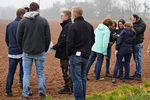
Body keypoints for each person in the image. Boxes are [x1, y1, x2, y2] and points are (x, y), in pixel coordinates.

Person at [17, 2, 51, 100]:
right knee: (40, 73)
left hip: (27, 52)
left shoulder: (23, 22)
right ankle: (42, 94)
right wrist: (44, 49)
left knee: (26, 74)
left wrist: (23, 48)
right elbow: (47, 38)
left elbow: (18, 38)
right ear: (37, 10)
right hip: (40, 52)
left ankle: (25, 95)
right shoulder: (44, 21)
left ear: (29, 9)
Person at [66, 6, 94, 100]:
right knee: (83, 78)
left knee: (77, 80)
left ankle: (79, 98)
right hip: (86, 56)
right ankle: (82, 97)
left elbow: (69, 43)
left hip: (75, 56)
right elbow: (92, 41)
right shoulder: (89, 26)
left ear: (74, 15)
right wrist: (87, 50)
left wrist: (69, 54)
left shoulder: (72, 26)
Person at [50, 10, 73, 94]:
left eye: (62, 15)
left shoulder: (67, 26)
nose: (61, 17)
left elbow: (64, 41)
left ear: (67, 17)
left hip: (65, 54)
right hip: (66, 53)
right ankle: (69, 87)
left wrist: (54, 47)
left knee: (66, 71)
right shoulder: (67, 26)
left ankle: (68, 88)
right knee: (66, 70)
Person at [5, 8, 26, 97]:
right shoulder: (23, 25)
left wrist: (11, 48)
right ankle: (24, 89)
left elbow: (7, 40)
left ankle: (8, 91)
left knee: (11, 72)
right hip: (21, 52)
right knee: (24, 71)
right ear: (21, 15)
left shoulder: (9, 25)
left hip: (12, 53)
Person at [129, 14, 146, 81]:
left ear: (136, 18)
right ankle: (136, 73)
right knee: (136, 59)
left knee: (138, 59)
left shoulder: (142, 24)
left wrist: (133, 23)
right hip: (134, 44)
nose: (132, 20)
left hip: (138, 44)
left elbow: (136, 31)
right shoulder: (137, 23)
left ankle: (138, 74)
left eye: (132, 18)